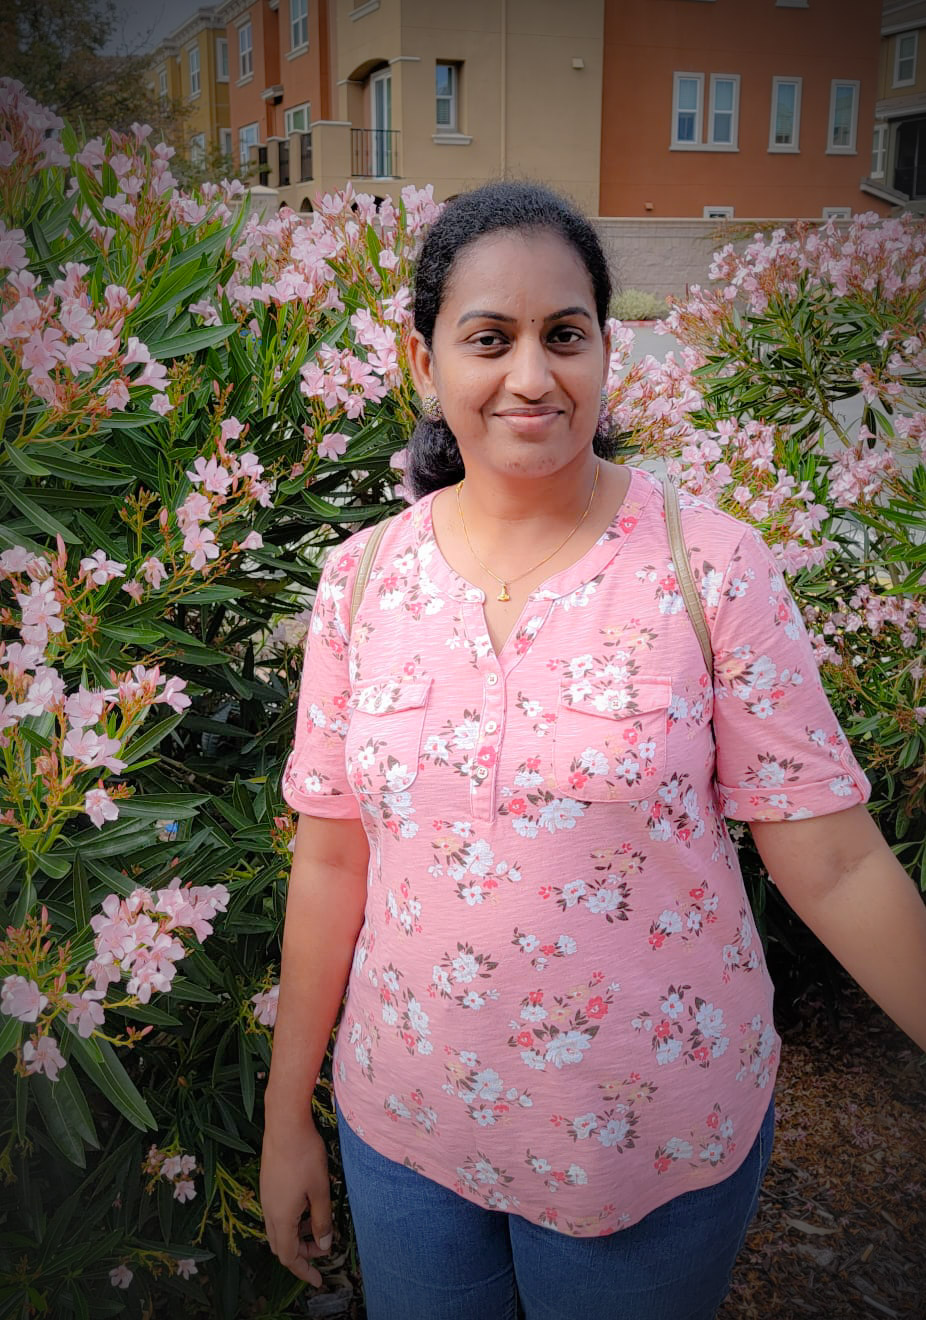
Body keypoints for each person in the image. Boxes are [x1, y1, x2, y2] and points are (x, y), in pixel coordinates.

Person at [260, 182, 926, 1320]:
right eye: (489, 339)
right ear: (424, 361)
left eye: (563, 335)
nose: (531, 375)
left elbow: (835, 863)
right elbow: (331, 862)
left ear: (605, 351)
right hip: (407, 1131)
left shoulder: (708, 567)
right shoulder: (359, 583)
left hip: (645, 1148)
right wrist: (287, 1118)